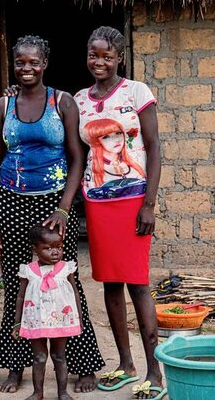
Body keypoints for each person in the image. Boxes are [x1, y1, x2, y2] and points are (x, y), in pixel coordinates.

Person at [0, 35, 104, 394]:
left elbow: (76, 158)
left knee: (67, 284)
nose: (26, 68)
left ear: (45, 64)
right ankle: (16, 366)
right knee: (17, 284)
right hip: (11, 202)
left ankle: (84, 366)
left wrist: (65, 209)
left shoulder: (62, 102)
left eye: (33, 62)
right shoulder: (2, 107)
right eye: (20, 62)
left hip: (52, 205)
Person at [73, 27, 163, 399]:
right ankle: (126, 365)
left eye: (107, 56)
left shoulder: (136, 92)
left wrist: (149, 204)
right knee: (110, 283)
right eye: (94, 55)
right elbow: (78, 155)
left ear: (119, 58)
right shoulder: (78, 99)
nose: (99, 62)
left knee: (138, 283)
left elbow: (155, 147)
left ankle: (153, 371)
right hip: (97, 202)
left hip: (133, 200)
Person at [12, 225, 82, 400]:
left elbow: (74, 293)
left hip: (61, 320)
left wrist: (79, 318)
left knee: (59, 356)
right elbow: (20, 297)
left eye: (59, 247)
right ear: (34, 249)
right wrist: (17, 323)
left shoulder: (66, 268)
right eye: (48, 248)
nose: (55, 252)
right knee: (39, 357)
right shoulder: (28, 270)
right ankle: (38, 393)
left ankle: (62, 393)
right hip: (35, 321)